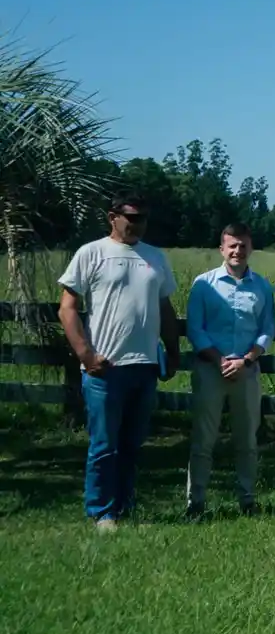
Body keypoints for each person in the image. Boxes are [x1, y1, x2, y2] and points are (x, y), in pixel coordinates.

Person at [58, 197, 179, 531]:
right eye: (133, 218)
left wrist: (172, 349)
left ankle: (125, 505)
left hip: (145, 364)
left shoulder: (155, 257)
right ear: (113, 217)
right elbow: (67, 308)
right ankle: (101, 511)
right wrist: (85, 353)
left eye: (144, 218)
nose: (139, 224)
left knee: (131, 443)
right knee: (104, 444)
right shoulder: (91, 253)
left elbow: (165, 308)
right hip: (105, 367)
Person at [185, 223, 275, 518]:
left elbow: (267, 330)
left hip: (246, 371)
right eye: (232, 246)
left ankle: (247, 499)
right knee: (203, 438)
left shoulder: (262, 286)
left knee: (247, 438)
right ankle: (195, 502)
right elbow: (195, 329)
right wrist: (220, 360)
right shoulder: (203, 284)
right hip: (211, 370)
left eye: (243, 246)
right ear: (221, 249)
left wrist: (246, 360)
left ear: (251, 249)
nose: (237, 251)